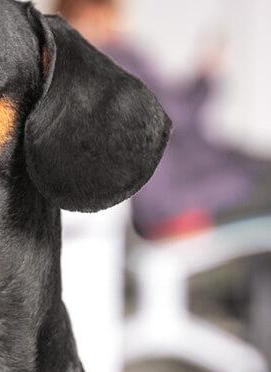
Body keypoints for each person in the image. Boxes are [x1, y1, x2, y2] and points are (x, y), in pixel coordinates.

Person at [58, 0, 269, 239]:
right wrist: (207, 76)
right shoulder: (115, 56)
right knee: (257, 177)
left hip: (154, 196)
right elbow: (176, 112)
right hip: (171, 194)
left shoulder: (72, 70)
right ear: (93, 14)